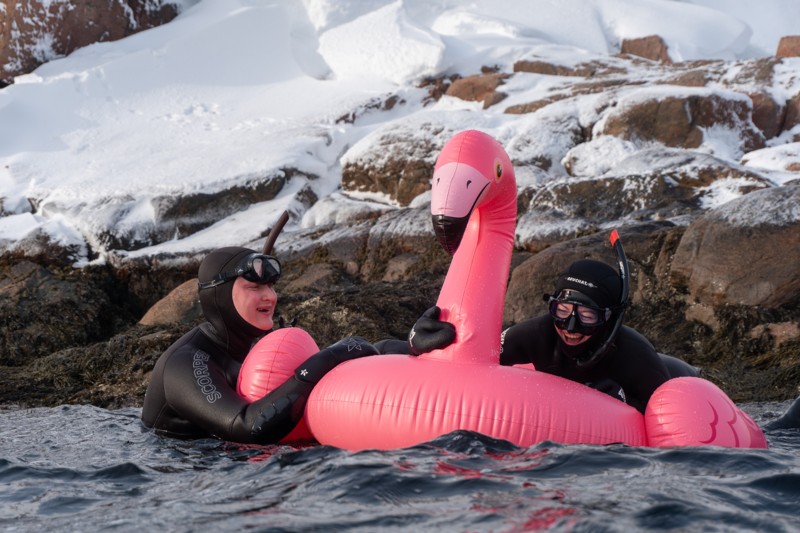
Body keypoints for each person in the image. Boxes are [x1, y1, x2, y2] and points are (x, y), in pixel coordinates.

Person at [394, 258, 698, 414]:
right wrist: (416, 342)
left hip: (681, 373)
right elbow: (469, 360)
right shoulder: (537, 334)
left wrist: (625, 401)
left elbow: (670, 417)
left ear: (609, 319)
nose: (570, 326)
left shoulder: (634, 356)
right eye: (562, 310)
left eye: (587, 316)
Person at [141, 246, 378, 443]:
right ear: (219, 296)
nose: (271, 296)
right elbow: (247, 427)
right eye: (255, 287)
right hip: (183, 478)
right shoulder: (185, 363)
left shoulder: (250, 349)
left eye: (271, 286)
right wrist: (327, 359)